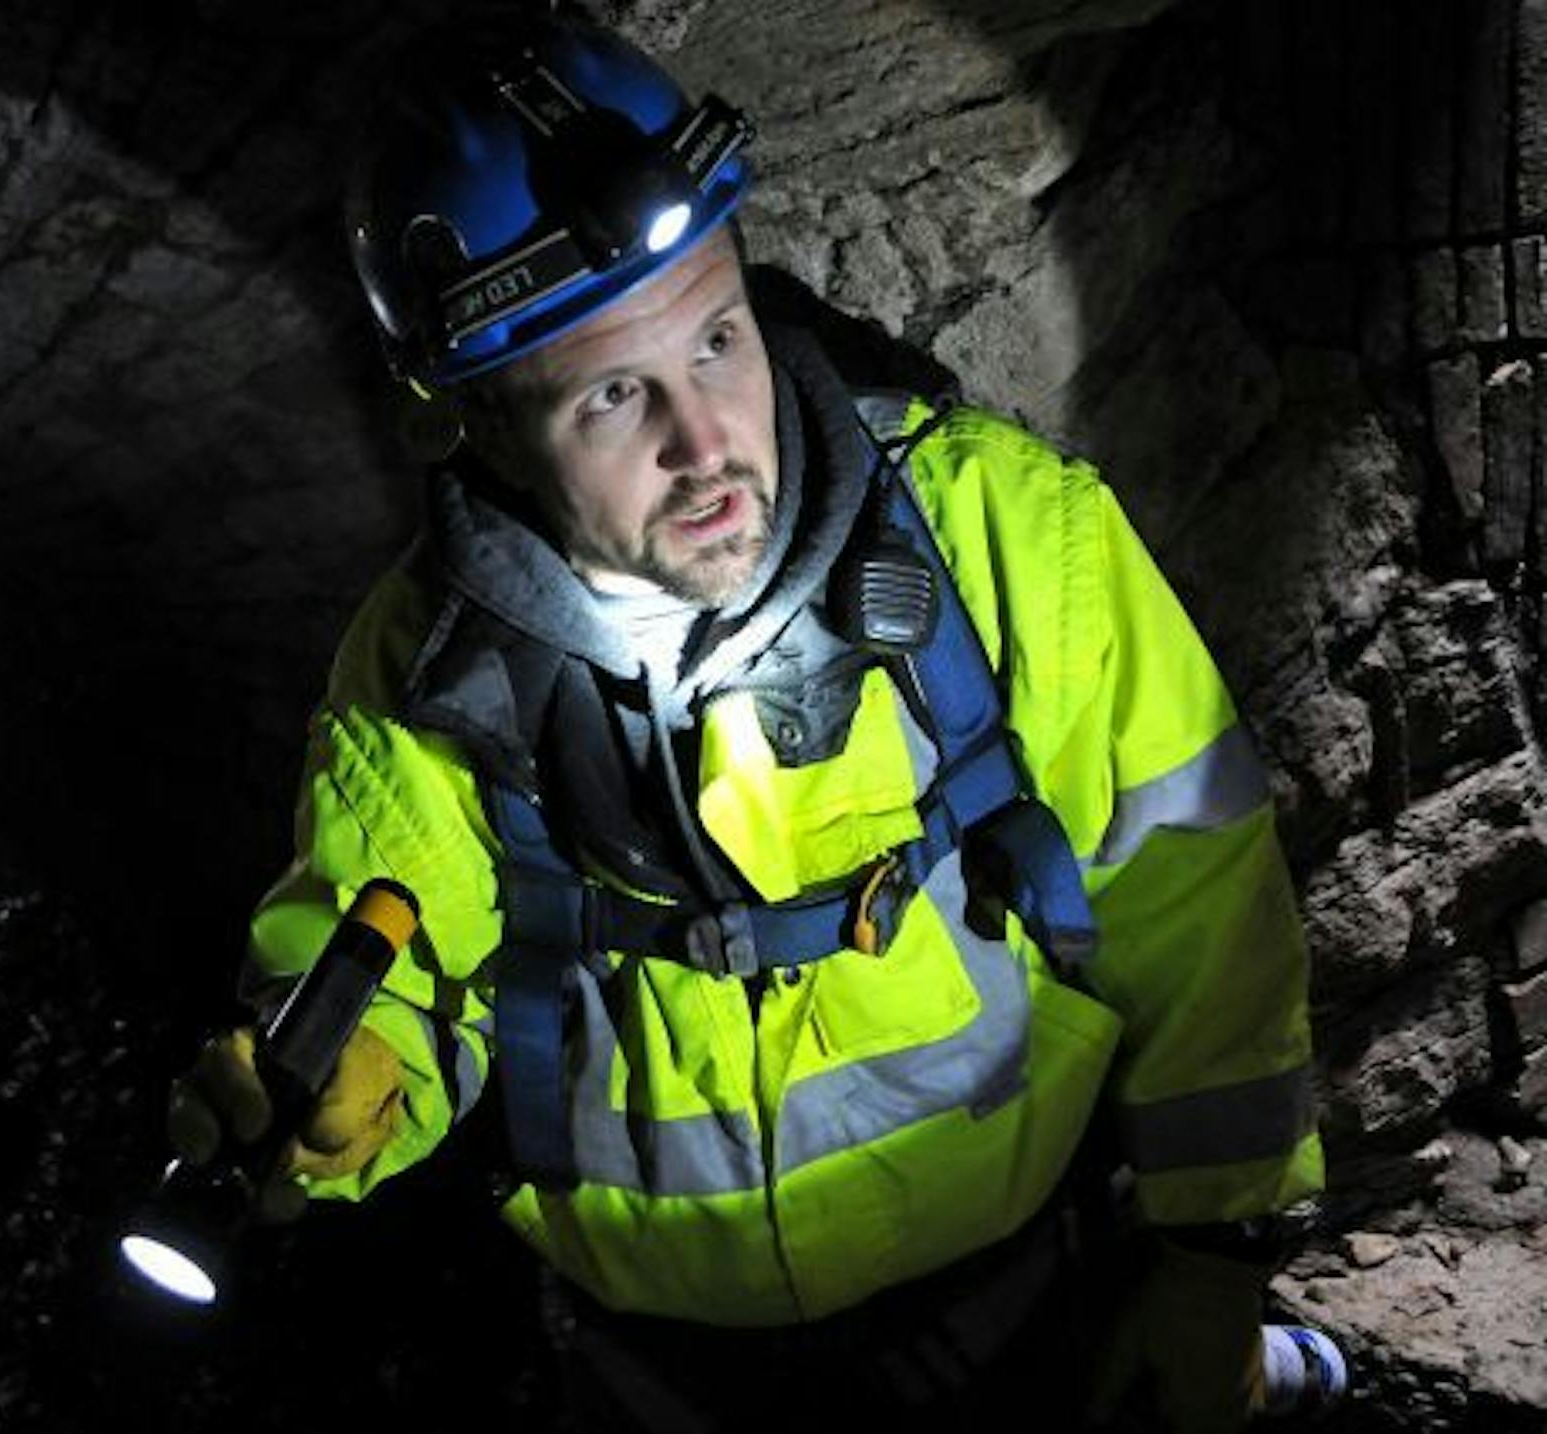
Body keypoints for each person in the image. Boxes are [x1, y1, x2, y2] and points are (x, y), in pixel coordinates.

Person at [167, 11, 1326, 1430]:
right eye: (611, 395)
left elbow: (1197, 897)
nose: (708, 442)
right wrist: (344, 1088)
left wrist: (1215, 1259)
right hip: (666, 1378)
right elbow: (388, 968)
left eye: (717, 338)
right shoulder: (424, 675)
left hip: (1028, 1300)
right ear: (465, 422)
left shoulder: (1006, 540)